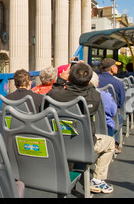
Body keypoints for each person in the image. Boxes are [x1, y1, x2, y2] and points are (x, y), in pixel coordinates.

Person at [48, 62, 115, 194]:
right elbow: (91, 89)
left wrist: (61, 79)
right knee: (110, 143)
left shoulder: (55, 95)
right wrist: (86, 78)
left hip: (60, 143)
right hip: (85, 145)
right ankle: (98, 180)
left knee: (68, 135)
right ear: (89, 80)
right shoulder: (94, 97)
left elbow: (53, 91)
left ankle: (67, 175)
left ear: (70, 78)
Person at [91, 72, 117, 138]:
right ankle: (115, 144)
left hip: (83, 131)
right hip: (104, 128)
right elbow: (113, 112)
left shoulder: (72, 96)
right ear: (97, 84)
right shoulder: (105, 96)